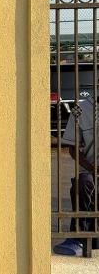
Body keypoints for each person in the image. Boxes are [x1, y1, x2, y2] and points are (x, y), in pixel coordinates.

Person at [53, 97, 98, 256]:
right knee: (83, 183)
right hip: (89, 169)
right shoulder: (80, 108)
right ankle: (78, 238)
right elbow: (72, 149)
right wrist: (93, 169)